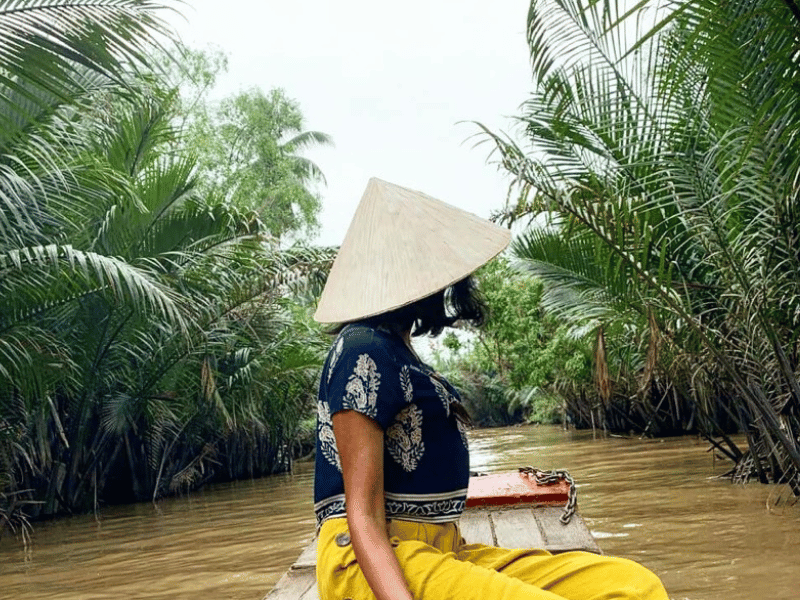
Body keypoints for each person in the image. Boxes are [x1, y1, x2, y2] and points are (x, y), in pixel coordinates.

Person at [312, 178, 669, 600]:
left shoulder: (399, 351)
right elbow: (364, 519)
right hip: (368, 561)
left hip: (439, 548)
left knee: (635, 586)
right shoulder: (362, 350)